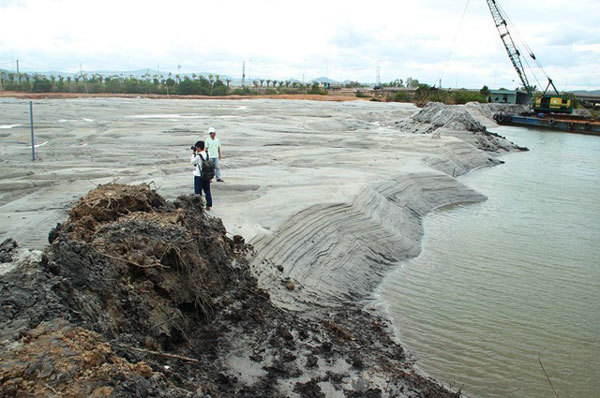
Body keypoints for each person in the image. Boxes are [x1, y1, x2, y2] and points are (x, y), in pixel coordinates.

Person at [191, 140, 212, 210]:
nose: (196, 149)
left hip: (199, 175)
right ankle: (208, 205)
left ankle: (199, 205)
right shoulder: (206, 154)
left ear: (199, 148)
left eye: (196, 148)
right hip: (206, 175)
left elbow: (192, 162)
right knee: (207, 190)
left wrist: (193, 153)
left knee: (198, 192)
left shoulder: (199, 155)